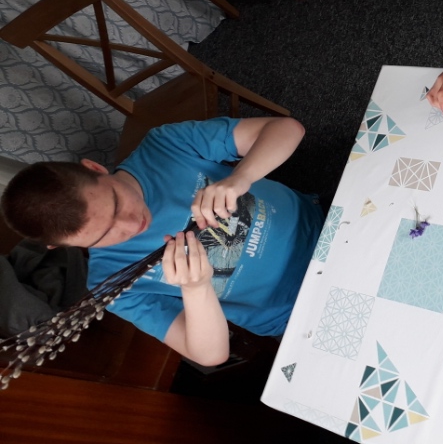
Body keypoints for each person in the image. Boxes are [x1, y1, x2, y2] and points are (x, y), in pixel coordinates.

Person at [0, 116, 322, 366]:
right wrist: (196, 289)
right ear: (62, 247)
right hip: (298, 311)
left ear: (96, 168)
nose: (132, 225)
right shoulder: (113, 283)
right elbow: (211, 354)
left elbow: (287, 129)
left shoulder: (164, 147)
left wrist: (241, 177)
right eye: (104, 235)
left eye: (116, 203)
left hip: (324, 230)